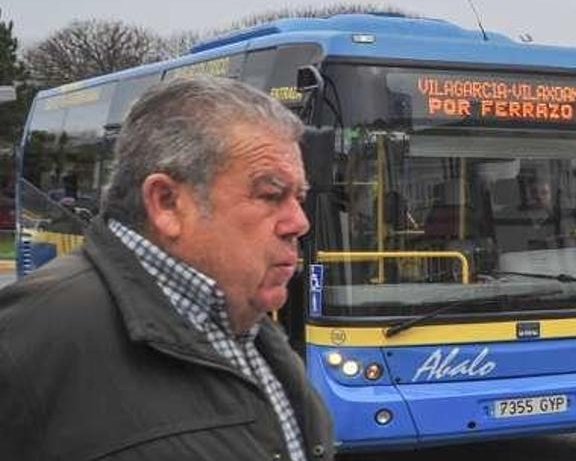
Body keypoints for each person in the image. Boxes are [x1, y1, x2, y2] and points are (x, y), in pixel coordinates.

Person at [0, 76, 334, 461]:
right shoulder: (28, 340)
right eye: (271, 195)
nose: (299, 222)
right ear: (167, 203)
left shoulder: (254, 330)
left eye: (300, 197)